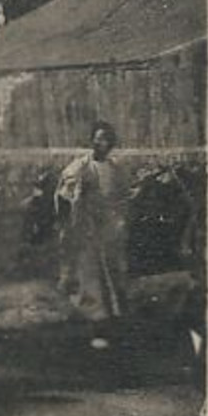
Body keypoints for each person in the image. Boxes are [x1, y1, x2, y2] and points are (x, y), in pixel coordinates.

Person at [55, 121, 130, 349]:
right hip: (86, 229)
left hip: (109, 230)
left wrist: (119, 219)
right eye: (97, 139)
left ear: (111, 144)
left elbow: (121, 197)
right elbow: (65, 195)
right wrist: (75, 201)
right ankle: (97, 328)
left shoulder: (115, 169)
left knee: (114, 275)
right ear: (92, 141)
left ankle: (114, 325)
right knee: (91, 277)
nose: (101, 143)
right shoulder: (80, 167)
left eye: (106, 140)